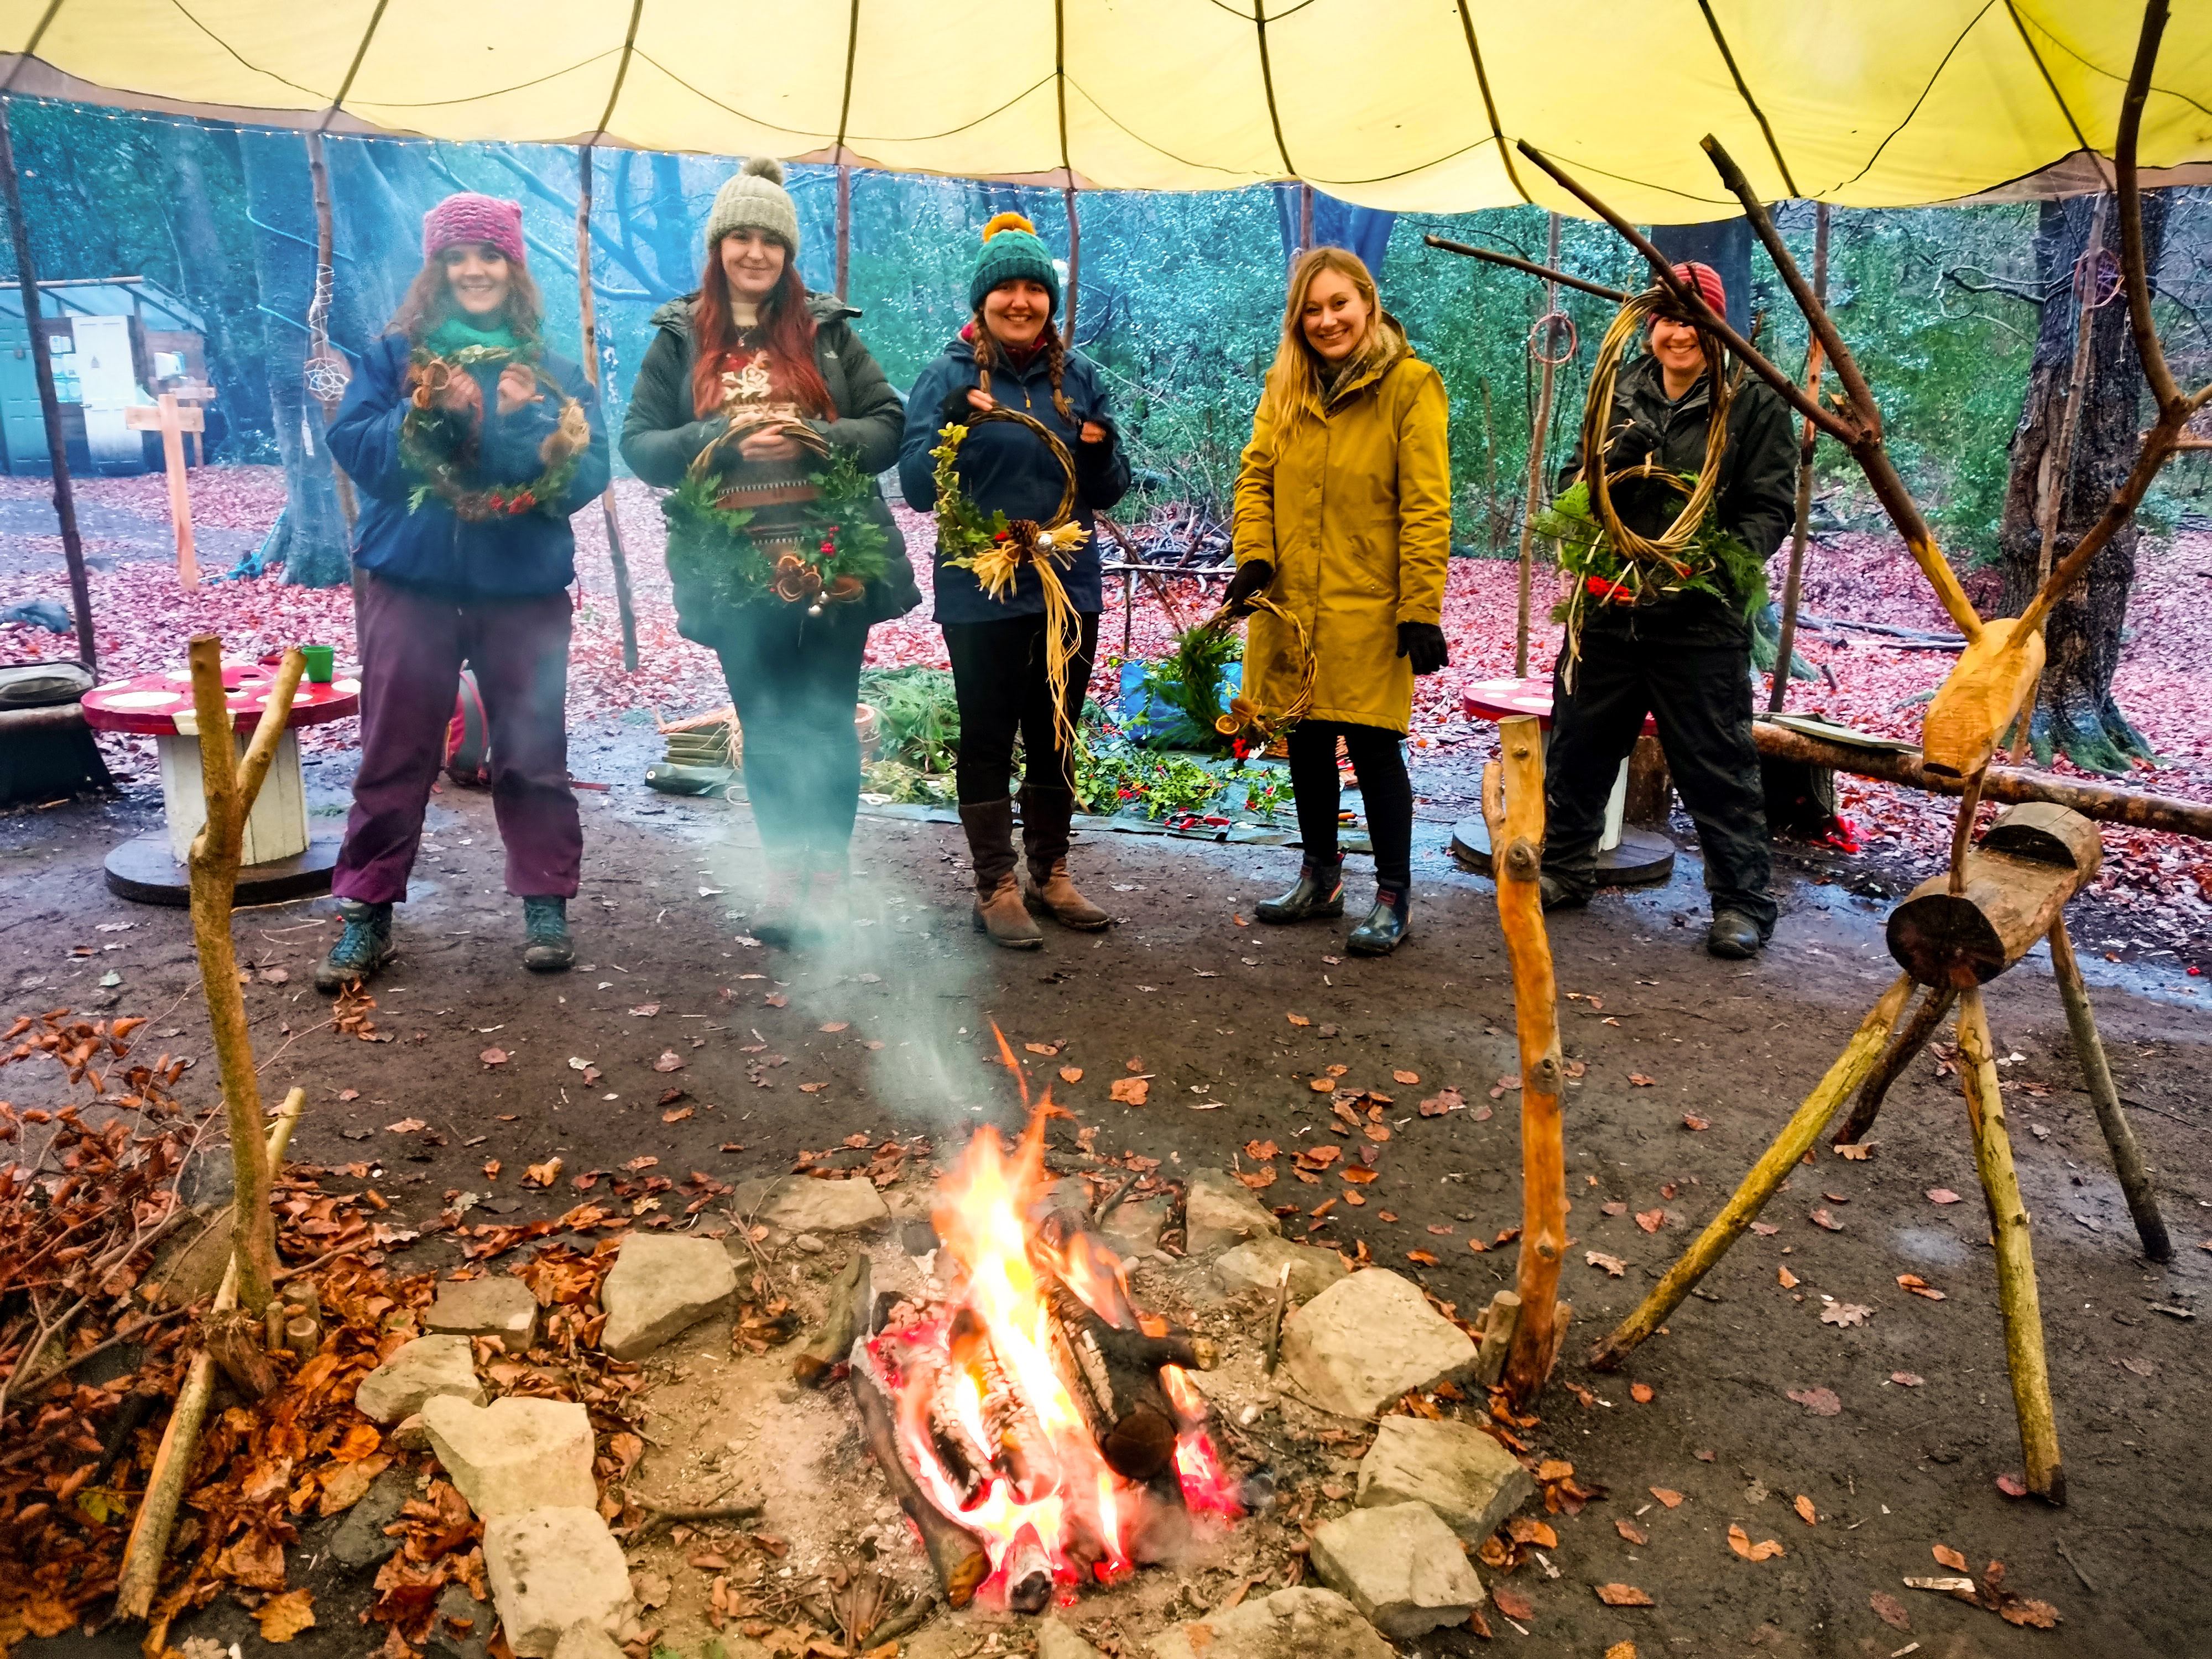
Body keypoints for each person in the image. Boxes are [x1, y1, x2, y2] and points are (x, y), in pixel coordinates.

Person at [620, 158, 917, 945]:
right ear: (718, 248)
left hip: (834, 561)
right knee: (768, 721)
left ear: (788, 254)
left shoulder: (827, 331)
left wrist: (816, 435)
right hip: (734, 572)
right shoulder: (681, 337)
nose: (755, 254)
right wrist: (716, 435)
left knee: (824, 722)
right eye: (740, 238)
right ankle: (785, 874)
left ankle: (830, 876)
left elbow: (889, 423)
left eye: (770, 242)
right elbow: (638, 446)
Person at [319, 193, 609, 992]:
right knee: (394, 749)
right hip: (412, 578)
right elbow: (360, 451)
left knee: (533, 752)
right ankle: (368, 911)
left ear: (512, 268)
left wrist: (521, 424)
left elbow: (585, 471)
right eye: (458, 257)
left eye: (489, 255)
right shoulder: (395, 359)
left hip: (521, 584)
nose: (474, 270)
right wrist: (428, 415)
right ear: (437, 271)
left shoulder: (550, 370)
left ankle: (545, 900)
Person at [1539, 261, 1795, 958]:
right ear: (1651, 325)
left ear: (1717, 326)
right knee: (1579, 745)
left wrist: (1702, 566)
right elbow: (1573, 480)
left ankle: (1743, 904)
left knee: (1715, 760)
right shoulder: (1618, 390)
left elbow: (1770, 505)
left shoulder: (1753, 403)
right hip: (1610, 604)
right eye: (1669, 318)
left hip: (1699, 619)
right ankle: (1563, 868)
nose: (1680, 332)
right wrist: (1604, 483)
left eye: (1695, 317)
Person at [899, 213, 1131, 949]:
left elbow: (1111, 490)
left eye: (1036, 288)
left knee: (1056, 732)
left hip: (1068, 585)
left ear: (1049, 302)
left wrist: (1099, 452)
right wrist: (945, 425)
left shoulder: (1081, 378)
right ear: (983, 300)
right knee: (990, 735)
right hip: (983, 587)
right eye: (1008, 289)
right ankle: (995, 885)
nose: (1022, 302)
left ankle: (1051, 872)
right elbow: (915, 488)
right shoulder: (948, 375)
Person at [1227, 247, 1451, 956]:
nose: (1327, 321)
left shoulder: (1411, 387)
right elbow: (1254, 478)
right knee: (1307, 743)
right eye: (1312, 310)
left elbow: (1426, 506)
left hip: (1370, 603)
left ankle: (1392, 895)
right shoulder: (1285, 388)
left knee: (1375, 746)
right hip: (1291, 599)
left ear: (1367, 303)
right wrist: (1255, 554)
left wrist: (1421, 605)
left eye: (1338, 305)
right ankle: (1320, 880)